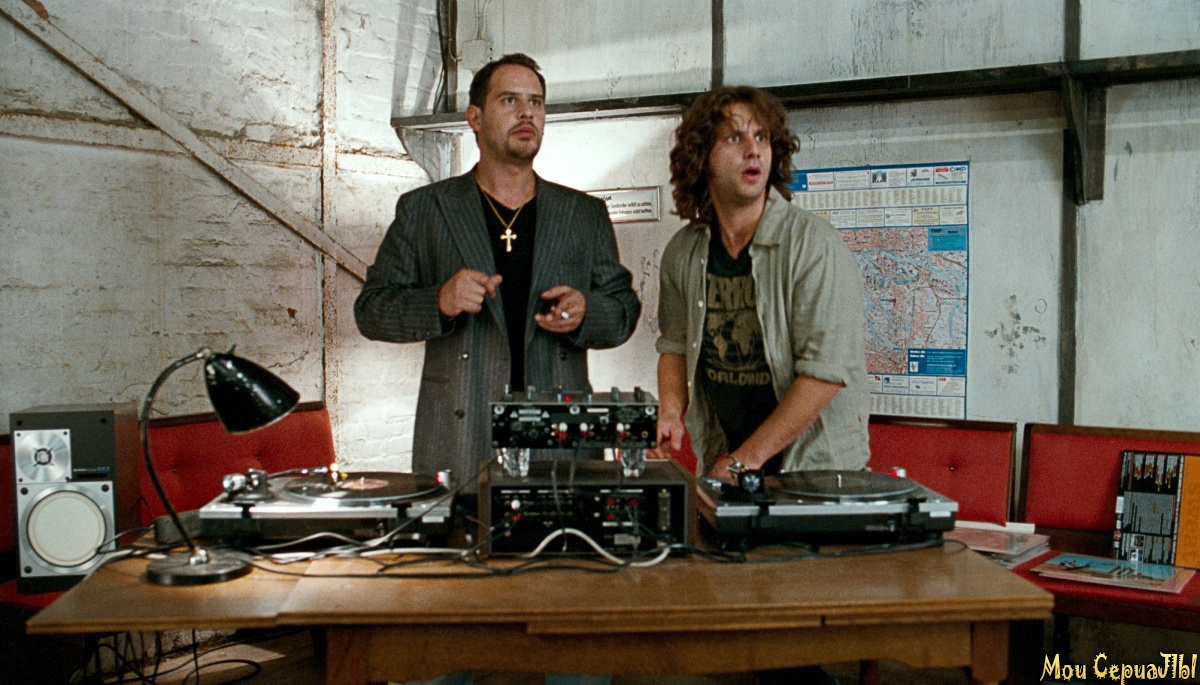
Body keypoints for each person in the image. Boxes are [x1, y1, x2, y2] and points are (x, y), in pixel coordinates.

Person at [654, 85, 869, 685]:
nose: (753, 150)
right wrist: (670, 412)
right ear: (701, 157)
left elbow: (824, 373)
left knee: (785, 639)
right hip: (730, 467)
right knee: (737, 629)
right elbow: (674, 344)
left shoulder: (813, 244)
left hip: (811, 470)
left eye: (762, 137)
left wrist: (745, 460)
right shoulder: (684, 252)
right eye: (733, 137)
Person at [355, 53, 640, 486]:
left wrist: (587, 312)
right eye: (510, 100)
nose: (527, 113)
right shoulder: (425, 210)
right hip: (459, 435)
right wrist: (439, 302)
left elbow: (624, 310)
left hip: (561, 441)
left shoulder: (584, 213)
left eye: (536, 102)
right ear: (475, 117)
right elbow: (371, 310)